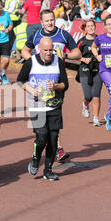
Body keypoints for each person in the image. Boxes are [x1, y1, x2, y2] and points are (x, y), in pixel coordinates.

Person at [21, 9, 81, 162]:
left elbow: (78, 54)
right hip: (38, 83)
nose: (50, 23)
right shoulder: (36, 35)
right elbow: (24, 50)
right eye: (46, 20)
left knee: (54, 114)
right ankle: (50, 146)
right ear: (41, 22)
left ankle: (55, 146)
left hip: (56, 81)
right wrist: (33, 63)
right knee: (43, 116)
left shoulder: (63, 34)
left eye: (52, 20)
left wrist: (65, 55)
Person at [17, 37, 69, 181]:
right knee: (41, 138)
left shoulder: (58, 62)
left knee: (53, 139)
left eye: (51, 50)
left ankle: (48, 170)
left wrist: (56, 86)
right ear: (39, 49)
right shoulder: (31, 62)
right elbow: (20, 80)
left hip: (54, 106)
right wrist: (30, 89)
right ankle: (35, 158)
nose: (48, 53)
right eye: (45, 50)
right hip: (37, 106)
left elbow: (66, 84)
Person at [76, 19, 102, 127]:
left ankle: (96, 117)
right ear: (85, 28)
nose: (91, 28)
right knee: (88, 96)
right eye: (88, 26)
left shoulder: (100, 40)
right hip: (85, 70)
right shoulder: (82, 42)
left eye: (92, 26)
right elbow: (75, 55)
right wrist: (83, 59)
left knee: (96, 95)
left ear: (95, 27)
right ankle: (85, 105)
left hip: (98, 70)